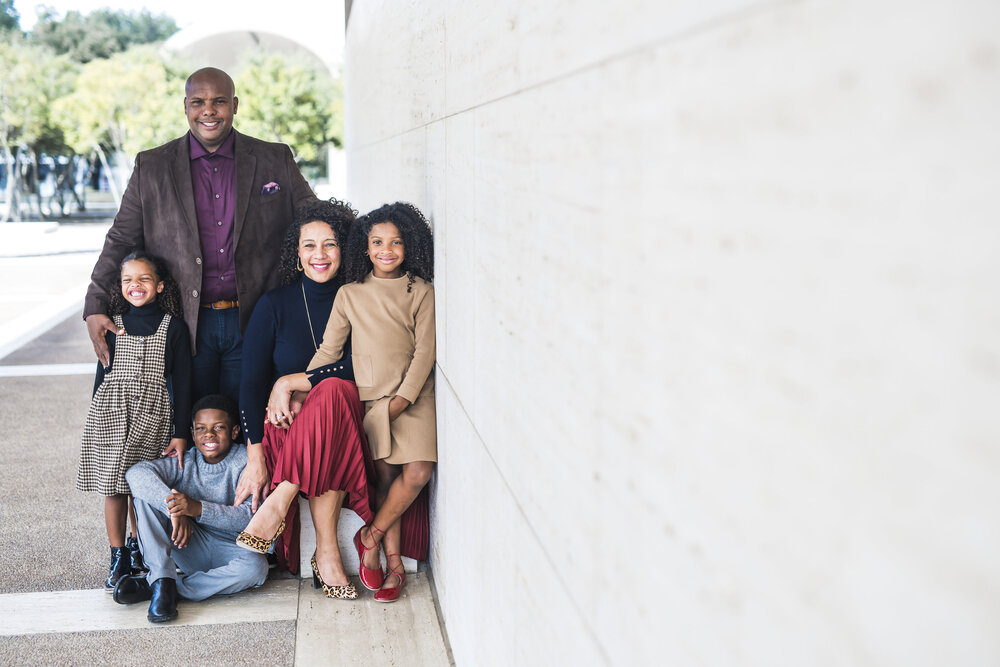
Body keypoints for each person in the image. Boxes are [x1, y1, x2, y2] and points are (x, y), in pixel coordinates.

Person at [83, 66, 317, 409]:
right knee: (188, 423)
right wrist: (95, 305)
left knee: (249, 420)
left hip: (253, 318)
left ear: (235, 106)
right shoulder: (152, 166)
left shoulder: (274, 158)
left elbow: (314, 219)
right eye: (199, 102)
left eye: (219, 101)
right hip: (183, 322)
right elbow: (121, 239)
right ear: (186, 106)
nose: (208, 110)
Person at [256, 202, 436, 603]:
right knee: (386, 479)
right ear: (364, 247)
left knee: (418, 471)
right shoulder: (350, 294)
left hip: (410, 399)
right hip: (372, 400)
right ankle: (391, 565)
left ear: (412, 245)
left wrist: (401, 402)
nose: (386, 249)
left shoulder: (422, 292)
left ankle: (368, 534)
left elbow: (425, 353)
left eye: (396, 242)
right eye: (376, 242)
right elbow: (327, 354)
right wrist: (301, 392)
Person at [235, 199, 373, 599]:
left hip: (346, 415)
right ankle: (326, 554)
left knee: (331, 393)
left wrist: (292, 382)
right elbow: (251, 383)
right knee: (321, 411)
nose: (319, 254)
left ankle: (279, 503)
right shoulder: (274, 304)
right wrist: (255, 455)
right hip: (288, 429)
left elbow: (363, 365)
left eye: (330, 244)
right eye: (309, 245)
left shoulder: (360, 298)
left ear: (344, 250)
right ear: (296, 253)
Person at [76, 251, 191, 592]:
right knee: (113, 487)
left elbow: (183, 383)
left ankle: (141, 548)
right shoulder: (112, 324)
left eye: (143, 279)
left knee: (140, 487)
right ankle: (118, 555)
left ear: (159, 286)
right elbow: (103, 373)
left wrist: (181, 432)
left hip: (153, 418)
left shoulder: (174, 327)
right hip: (111, 415)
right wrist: (96, 419)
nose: (135, 285)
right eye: (128, 280)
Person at [113, 395, 268, 622]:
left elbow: (250, 518)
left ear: (234, 432)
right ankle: (162, 579)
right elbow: (135, 473)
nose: (209, 435)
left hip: (231, 547)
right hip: (188, 542)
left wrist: (196, 509)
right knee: (146, 498)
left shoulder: (246, 462)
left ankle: (164, 588)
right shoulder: (186, 461)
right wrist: (175, 509)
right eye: (201, 429)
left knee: (256, 569)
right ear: (193, 434)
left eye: (219, 428)